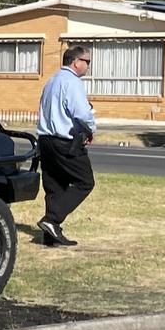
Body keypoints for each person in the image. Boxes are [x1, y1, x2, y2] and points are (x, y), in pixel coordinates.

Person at [35, 45, 97, 247]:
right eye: (87, 61)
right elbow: (81, 113)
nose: (88, 65)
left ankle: (50, 236)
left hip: (45, 140)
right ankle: (51, 220)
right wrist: (90, 129)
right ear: (75, 62)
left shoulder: (51, 81)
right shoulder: (72, 82)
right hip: (65, 141)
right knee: (85, 181)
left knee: (55, 186)